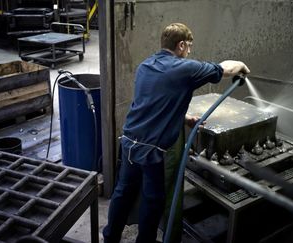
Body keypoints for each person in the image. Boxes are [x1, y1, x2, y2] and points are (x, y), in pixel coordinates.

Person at [103, 23, 250, 243]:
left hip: (129, 144)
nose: (189, 52)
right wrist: (241, 65)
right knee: (152, 201)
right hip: (151, 152)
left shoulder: (145, 66)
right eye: (189, 46)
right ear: (181, 45)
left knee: (123, 193)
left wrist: (185, 119)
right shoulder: (185, 69)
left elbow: (151, 105)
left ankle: (110, 238)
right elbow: (224, 69)